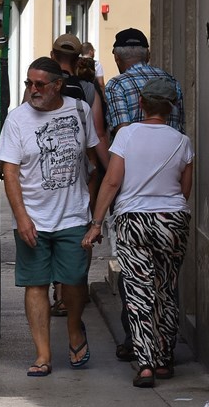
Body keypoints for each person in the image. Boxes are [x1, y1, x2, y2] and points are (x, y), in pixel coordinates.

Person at [82, 78, 193, 388]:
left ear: (141, 104)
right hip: (172, 219)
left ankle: (145, 363)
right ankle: (164, 359)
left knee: (139, 290)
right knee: (166, 287)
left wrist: (97, 223)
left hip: (134, 220)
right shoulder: (182, 141)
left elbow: (113, 181)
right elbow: (184, 191)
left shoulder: (127, 135)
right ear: (170, 108)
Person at [0, 57, 99, 377]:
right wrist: (22, 217)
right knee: (36, 285)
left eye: (40, 84)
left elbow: (95, 162)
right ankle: (42, 354)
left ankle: (74, 329)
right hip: (33, 218)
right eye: (29, 83)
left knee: (75, 282)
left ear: (57, 85)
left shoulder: (80, 112)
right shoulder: (17, 121)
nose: (33, 90)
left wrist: (93, 210)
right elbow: (9, 173)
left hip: (73, 215)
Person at [103, 27, 186, 362]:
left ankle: (140, 351)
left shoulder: (118, 85)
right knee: (166, 285)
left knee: (136, 283)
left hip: (132, 201)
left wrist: (100, 216)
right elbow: (184, 169)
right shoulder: (173, 82)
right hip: (170, 204)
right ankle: (165, 353)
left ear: (118, 57)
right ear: (148, 54)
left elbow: (121, 139)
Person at [48, 34, 109, 318]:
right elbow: (96, 134)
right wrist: (107, 168)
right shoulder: (88, 89)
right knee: (80, 227)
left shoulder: (43, 84)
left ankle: (60, 294)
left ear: (52, 54)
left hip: (50, 167)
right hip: (82, 169)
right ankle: (77, 289)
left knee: (52, 226)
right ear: (77, 58)